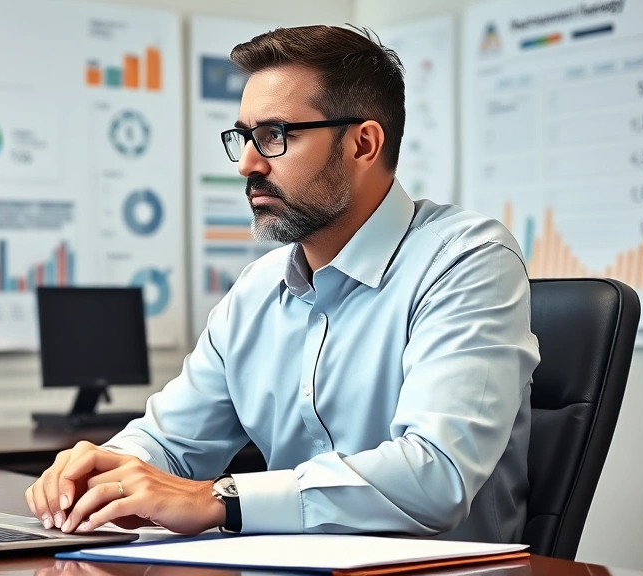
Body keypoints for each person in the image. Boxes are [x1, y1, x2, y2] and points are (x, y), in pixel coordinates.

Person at [26, 24, 539, 542]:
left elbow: (435, 475)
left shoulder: (467, 260)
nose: (248, 162)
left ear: (363, 144)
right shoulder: (257, 290)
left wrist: (217, 499)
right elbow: (171, 441)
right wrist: (104, 471)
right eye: (244, 137)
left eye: (275, 136)